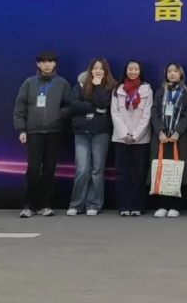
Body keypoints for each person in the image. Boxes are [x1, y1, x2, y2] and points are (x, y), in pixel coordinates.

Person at [13, 50, 72, 218]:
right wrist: (21, 129)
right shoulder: (29, 83)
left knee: (49, 169)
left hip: (54, 132)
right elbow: (20, 108)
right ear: (38, 64)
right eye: (44, 62)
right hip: (33, 132)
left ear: (55, 64)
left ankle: (45, 205)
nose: (47, 65)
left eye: (50, 61)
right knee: (33, 169)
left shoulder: (62, 83)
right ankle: (29, 205)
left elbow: (70, 106)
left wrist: (58, 116)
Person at [67, 59, 117, 216]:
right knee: (82, 170)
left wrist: (98, 86)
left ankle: (93, 204)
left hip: (101, 132)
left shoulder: (111, 87)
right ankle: (76, 204)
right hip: (81, 132)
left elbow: (105, 104)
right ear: (90, 70)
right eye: (95, 68)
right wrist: (95, 109)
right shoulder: (80, 85)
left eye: (101, 68)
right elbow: (74, 104)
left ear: (106, 71)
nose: (98, 71)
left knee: (97, 170)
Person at [150, 62, 187, 218]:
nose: (172, 74)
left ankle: (176, 205)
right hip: (162, 138)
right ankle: (162, 205)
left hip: (179, 138)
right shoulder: (160, 92)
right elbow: (154, 113)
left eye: (175, 71)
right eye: (169, 71)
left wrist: (177, 132)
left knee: (178, 171)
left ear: (180, 74)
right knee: (162, 171)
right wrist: (160, 132)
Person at [111, 60, 153, 217]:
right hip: (121, 138)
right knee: (122, 173)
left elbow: (147, 115)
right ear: (125, 71)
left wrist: (135, 135)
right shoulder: (118, 89)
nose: (133, 72)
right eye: (130, 69)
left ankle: (138, 206)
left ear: (140, 71)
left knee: (139, 173)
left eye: (136, 69)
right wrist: (124, 134)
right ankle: (124, 206)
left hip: (140, 139)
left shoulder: (146, 89)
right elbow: (115, 113)